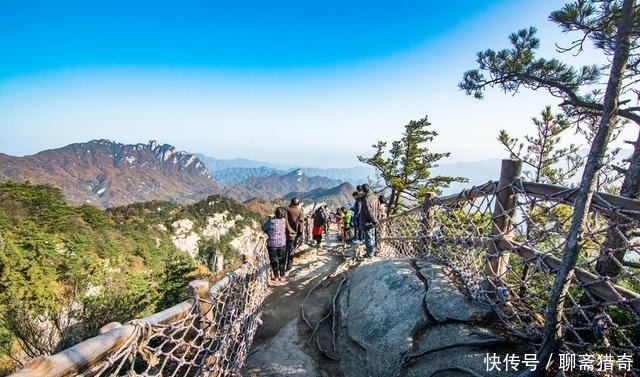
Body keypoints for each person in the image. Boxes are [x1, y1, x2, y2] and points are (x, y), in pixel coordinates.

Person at [261, 207, 287, 281]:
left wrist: (269, 219)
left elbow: (263, 227)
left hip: (272, 244)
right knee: (282, 260)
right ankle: (282, 276)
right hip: (282, 243)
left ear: (275, 213)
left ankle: (276, 276)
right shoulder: (284, 221)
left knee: (274, 260)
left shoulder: (271, 221)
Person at [359, 184, 380, 258]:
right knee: (372, 238)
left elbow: (368, 212)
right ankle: (372, 252)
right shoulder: (375, 197)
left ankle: (369, 254)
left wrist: (374, 220)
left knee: (368, 239)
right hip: (374, 221)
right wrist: (377, 219)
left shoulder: (366, 199)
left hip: (368, 221)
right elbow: (378, 209)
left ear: (364, 191)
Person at [284, 197, 304, 271]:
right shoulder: (300, 212)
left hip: (283, 235)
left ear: (291, 202)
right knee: (291, 251)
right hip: (293, 235)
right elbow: (301, 226)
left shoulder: (284, 209)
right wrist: (299, 234)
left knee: (283, 251)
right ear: (298, 204)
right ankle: (288, 267)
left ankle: (281, 268)